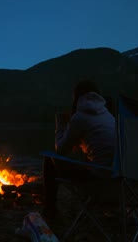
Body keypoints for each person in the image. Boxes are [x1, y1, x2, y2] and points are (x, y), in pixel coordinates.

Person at [43, 80, 116, 214]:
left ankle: (50, 210)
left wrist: (60, 125)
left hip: (100, 180)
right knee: (89, 159)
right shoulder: (109, 116)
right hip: (121, 179)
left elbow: (60, 151)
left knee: (49, 159)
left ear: (76, 98)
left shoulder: (80, 117)